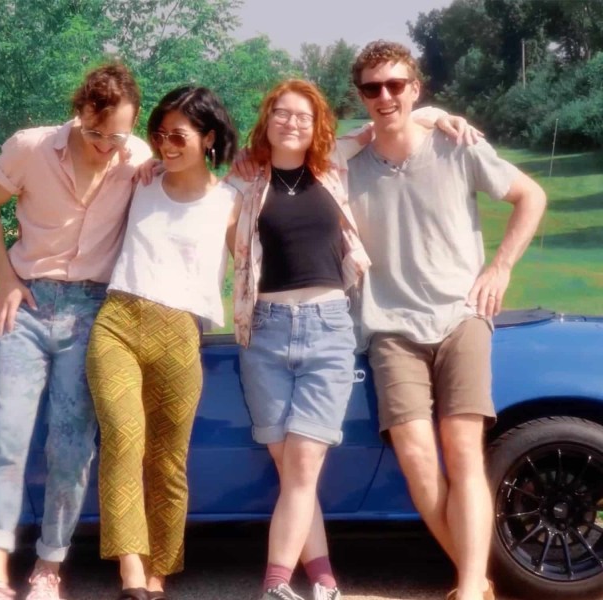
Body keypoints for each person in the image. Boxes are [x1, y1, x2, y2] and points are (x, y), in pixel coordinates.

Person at [230, 80, 479, 600]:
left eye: (303, 115)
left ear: (317, 124)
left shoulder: (334, 164)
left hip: (327, 328)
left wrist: (436, 115)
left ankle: (274, 585)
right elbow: (195, 192)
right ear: (267, 119)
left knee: (303, 465)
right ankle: (324, 580)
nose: (292, 122)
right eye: (281, 113)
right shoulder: (245, 178)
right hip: (265, 334)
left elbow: (389, 123)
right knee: (291, 469)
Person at [347, 41, 547, 600]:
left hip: (462, 315)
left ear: (415, 87)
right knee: (416, 460)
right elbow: (289, 156)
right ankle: (477, 577)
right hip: (389, 326)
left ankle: (466, 586)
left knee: (462, 453)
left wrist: (500, 267)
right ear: (359, 95)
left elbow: (530, 196)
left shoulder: (457, 146)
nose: (384, 96)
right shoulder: (348, 164)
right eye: (371, 87)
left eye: (395, 85)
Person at [0, 63, 152, 600]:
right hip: (27, 303)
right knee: (7, 435)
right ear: (79, 113)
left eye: (116, 134)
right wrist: (5, 277)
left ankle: (49, 566)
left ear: (132, 123)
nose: (104, 145)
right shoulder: (31, 148)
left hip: (93, 310)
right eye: (95, 132)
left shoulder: (137, 156)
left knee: (72, 446)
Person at [85, 86, 240, 600]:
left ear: (209, 137)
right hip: (119, 322)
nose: (166, 145)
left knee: (168, 461)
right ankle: (132, 573)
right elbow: (91, 127)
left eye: (179, 135)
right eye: (159, 134)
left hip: (180, 332)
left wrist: (436, 116)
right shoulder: (139, 177)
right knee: (123, 441)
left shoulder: (231, 202)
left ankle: (159, 573)